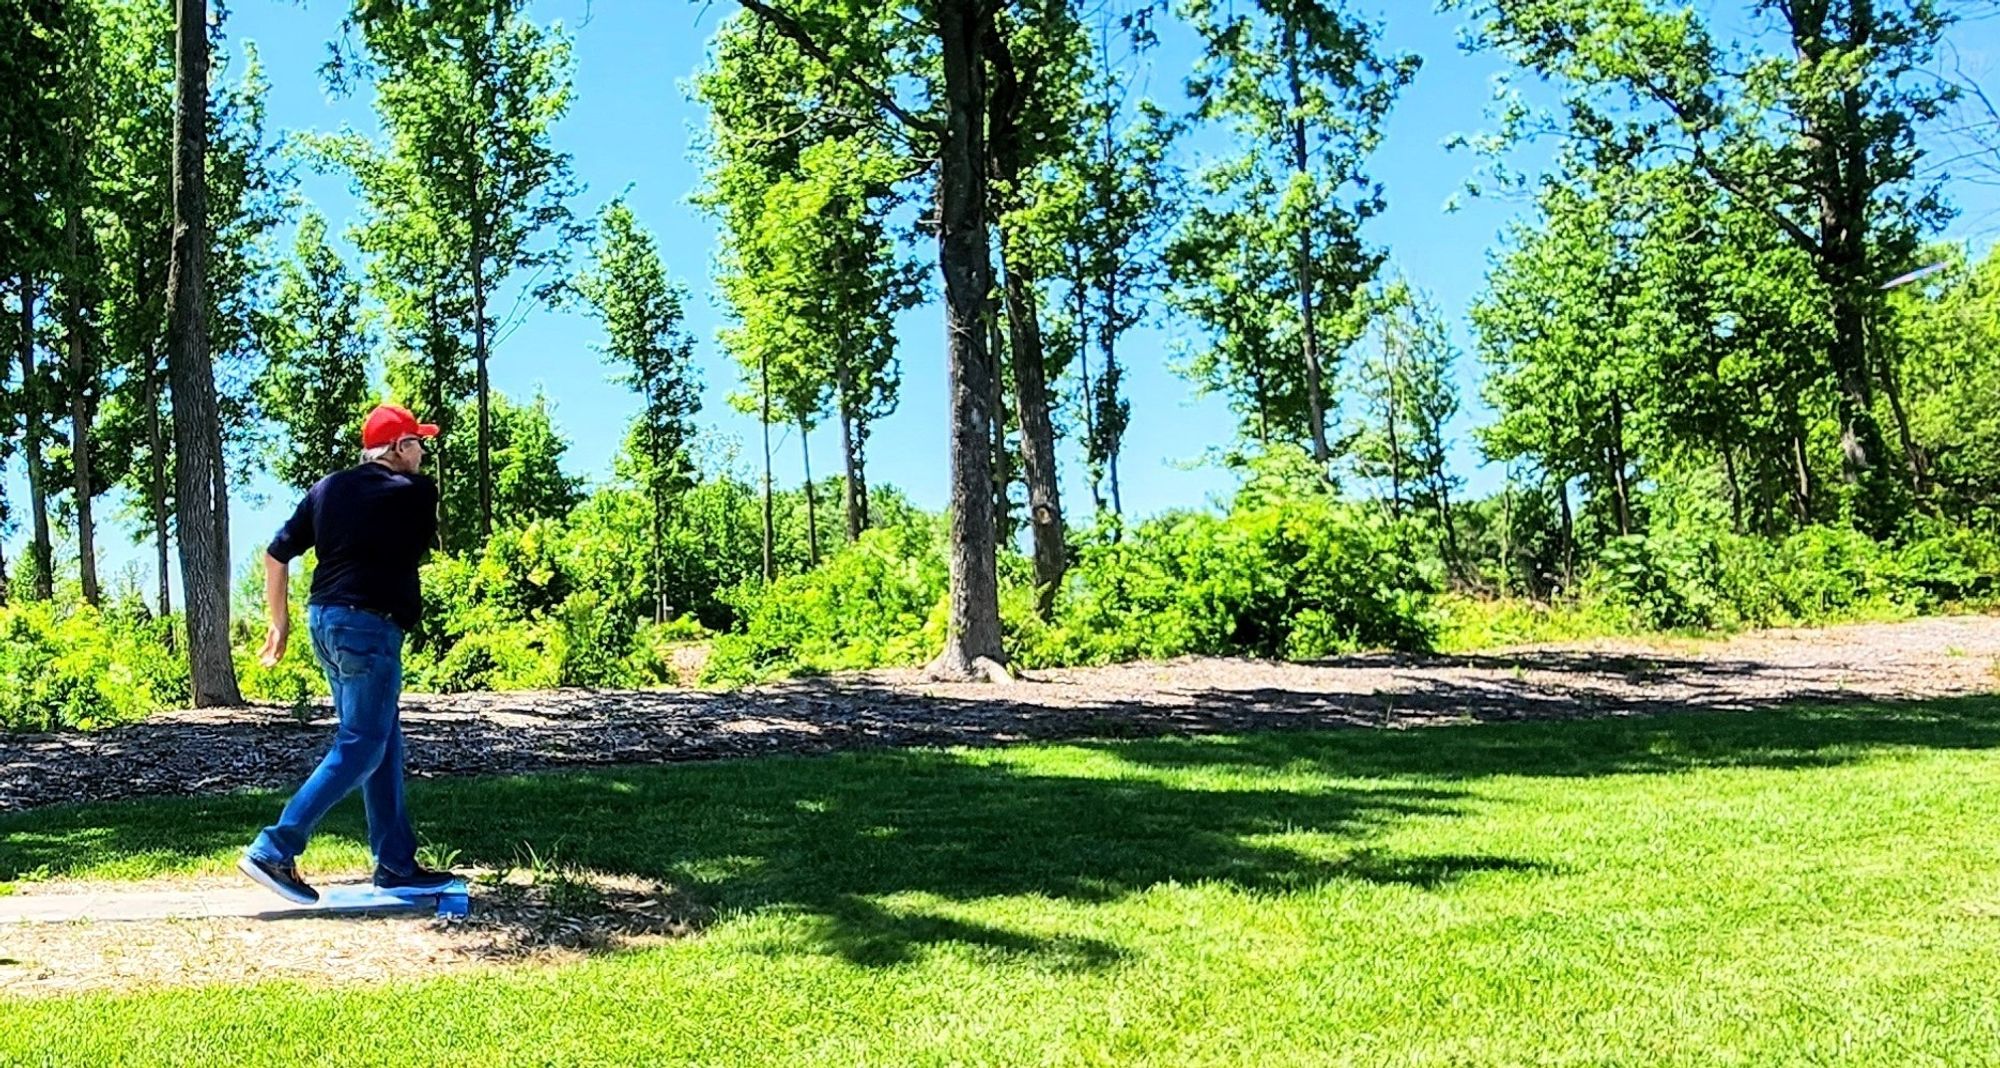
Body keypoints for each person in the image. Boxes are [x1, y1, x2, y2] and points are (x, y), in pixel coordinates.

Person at [238, 403, 459, 904]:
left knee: (381, 739)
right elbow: (414, 544)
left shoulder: (327, 489)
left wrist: (280, 622)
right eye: (418, 443)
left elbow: (276, 554)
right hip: (369, 627)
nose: (423, 452)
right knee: (362, 743)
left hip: (327, 622)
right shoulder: (417, 492)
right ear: (400, 448)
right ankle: (275, 847)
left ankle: (397, 864)